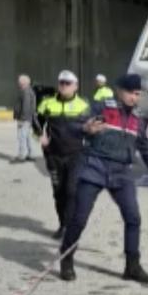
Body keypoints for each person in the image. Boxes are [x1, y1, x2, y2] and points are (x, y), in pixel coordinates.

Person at [59, 73, 148, 284]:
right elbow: (72, 126)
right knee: (79, 219)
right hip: (95, 168)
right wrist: (86, 129)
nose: (135, 98)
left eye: (138, 94)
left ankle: (132, 266)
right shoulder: (101, 107)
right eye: (131, 93)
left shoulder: (137, 118)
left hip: (121, 173)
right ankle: (66, 259)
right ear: (119, 90)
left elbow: (145, 149)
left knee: (133, 218)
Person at [37, 70, 90, 238]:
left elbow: (92, 129)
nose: (64, 86)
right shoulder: (47, 103)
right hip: (54, 155)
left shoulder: (84, 105)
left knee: (72, 190)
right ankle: (63, 224)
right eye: (61, 83)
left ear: (76, 86)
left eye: (68, 83)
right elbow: (35, 120)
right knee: (58, 192)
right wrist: (40, 135)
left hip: (76, 155)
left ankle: (70, 226)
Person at [12, 74, 37, 163]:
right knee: (28, 137)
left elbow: (26, 106)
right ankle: (31, 154)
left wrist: (22, 119)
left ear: (24, 82)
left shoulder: (25, 92)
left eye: (20, 81)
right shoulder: (29, 91)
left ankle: (22, 155)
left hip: (24, 119)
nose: (18, 82)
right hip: (28, 118)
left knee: (22, 137)